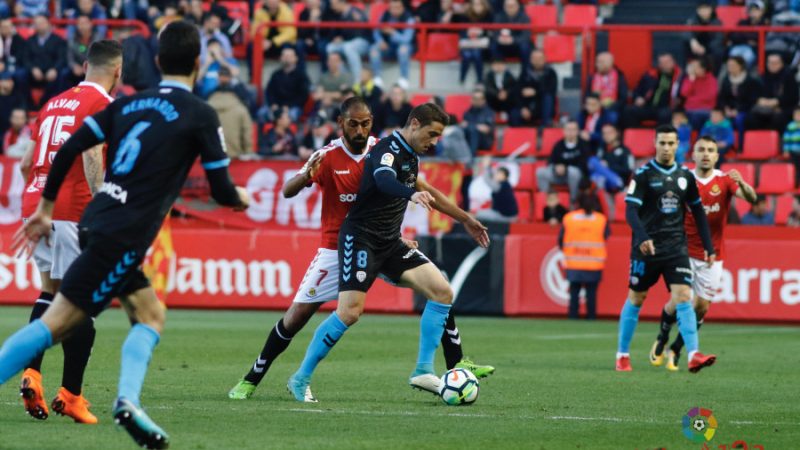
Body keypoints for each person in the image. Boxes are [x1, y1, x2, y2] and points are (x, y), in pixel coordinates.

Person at [1, 21, 249, 448]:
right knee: (59, 321)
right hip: (119, 230)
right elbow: (222, 189)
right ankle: (113, 399)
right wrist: (240, 195)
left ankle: (121, 401)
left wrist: (42, 207)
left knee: (146, 313)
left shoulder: (127, 106)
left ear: (155, 62)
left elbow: (68, 148)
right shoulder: (199, 114)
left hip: (94, 217)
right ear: (198, 62)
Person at [228, 98, 493, 400]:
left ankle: (441, 367)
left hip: (385, 241)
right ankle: (255, 377)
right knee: (299, 317)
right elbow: (291, 190)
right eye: (353, 123)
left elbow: (420, 188)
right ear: (341, 123)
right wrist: (305, 177)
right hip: (340, 245)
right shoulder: (332, 156)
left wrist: (465, 219)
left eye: (366, 123)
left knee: (441, 291)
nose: (360, 129)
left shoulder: (388, 149)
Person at [15, 40, 121, 425]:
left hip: (38, 205)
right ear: (117, 70)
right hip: (74, 208)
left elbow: (26, 162)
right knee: (82, 305)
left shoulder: (53, 102)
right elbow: (93, 155)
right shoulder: (102, 105)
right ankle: (71, 395)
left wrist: (39, 203)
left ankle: (32, 374)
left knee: (50, 294)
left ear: (85, 64)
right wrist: (100, 208)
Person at [650, 136, 757, 371]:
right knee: (681, 299)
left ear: (717, 156)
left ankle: (676, 348)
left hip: (713, 254)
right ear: (693, 155)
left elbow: (752, 198)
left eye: (711, 150)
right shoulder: (682, 178)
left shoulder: (725, 180)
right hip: (683, 250)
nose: (706, 154)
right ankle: (663, 336)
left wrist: (745, 183)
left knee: (702, 308)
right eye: (701, 150)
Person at [616, 124, 717, 373]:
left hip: (675, 247)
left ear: (677, 145)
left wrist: (708, 246)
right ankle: (622, 354)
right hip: (646, 248)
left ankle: (693, 353)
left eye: (671, 143)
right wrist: (642, 236)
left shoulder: (685, 176)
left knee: (684, 296)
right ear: (655, 143)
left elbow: (698, 212)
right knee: (636, 297)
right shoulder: (643, 175)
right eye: (662, 143)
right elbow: (630, 210)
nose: (667, 148)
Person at [559, 192, 609, 320]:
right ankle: (591, 317)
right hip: (594, 263)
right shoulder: (600, 219)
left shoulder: (569, 218)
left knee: (574, 292)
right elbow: (606, 236)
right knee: (591, 294)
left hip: (573, 263)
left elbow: (560, 240)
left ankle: (572, 317)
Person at [623, 53, 681, 129]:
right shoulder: (650, 74)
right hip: (647, 106)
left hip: (666, 107)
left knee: (665, 114)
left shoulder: (680, 76)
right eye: (661, 63)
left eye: (666, 62)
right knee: (628, 111)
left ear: (673, 62)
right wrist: (637, 97)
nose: (664, 65)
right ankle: (637, 135)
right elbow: (636, 90)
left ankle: (660, 137)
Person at [536, 120, 590, 199]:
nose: (570, 132)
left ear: (577, 131)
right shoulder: (559, 145)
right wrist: (556, 168)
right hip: (559, 175)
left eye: (573, 130)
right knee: (540, 172)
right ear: (564, 131)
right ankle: (547, 201)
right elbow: (551, 161)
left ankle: (573, 201)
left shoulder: (583, 145)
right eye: (568, 130)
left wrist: (566, 169)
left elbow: (585, 165)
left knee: (573, 172)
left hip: (576, 176)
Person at [209, 66, 254, 159]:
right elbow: (247, 135)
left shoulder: (207, 107)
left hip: (210, 156)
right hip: (234, 157)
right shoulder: (241, 109)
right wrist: (248, 153)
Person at [370, 0, 416, 89]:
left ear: (402, 8)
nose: (394, 10)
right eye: (391, 8)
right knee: (374, 49)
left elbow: (407, 39)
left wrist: (393, 32)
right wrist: (380, 41)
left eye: (397, 8)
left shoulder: (409, 18)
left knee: (403, 49)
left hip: (404, 46)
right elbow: (376, 31)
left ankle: (404, 79)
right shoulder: (385, 14)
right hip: (388, 46)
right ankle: (377, 78)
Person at [25, 14, 67, 108]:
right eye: (37, 23)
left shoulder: (58, 40)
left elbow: (62, 58)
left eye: (42, 23)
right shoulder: (29, 41)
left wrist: (55, 69)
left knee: (62, 75)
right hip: (35, 72)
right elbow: (26, 58)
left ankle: (48, 104)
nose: (40, 25)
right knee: (21, 75)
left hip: (52, 71)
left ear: (48, 24)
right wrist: (33, 68)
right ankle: (28, 105)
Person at [748, 53, 799, 131]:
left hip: (783, 108)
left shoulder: (789, 77)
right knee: (750, 118)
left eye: (775, 63)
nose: (772, 65)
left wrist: (777, 102)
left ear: (782, 63)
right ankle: (756, 141)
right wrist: (760, 100)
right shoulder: (762, 77)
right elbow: (753, 94)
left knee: (778, 118)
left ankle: (777, 141)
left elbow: (792, 98)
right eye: (770, 63)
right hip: (764, 108)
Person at [325, 0, 370, 85]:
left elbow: (362, 31)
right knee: (330, 47)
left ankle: (358, 79)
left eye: (334, 4)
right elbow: (334, 32)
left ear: (341, 2)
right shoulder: (338, 14)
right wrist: (338, 38)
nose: (332, 7)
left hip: (362, 42)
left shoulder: (355, 12)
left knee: (349, 47)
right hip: (347, 42)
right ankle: (344, 76)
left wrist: (343, 37)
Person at [515, 49, 558, 126]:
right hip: (527, 105)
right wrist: (523, 108)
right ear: (531, 59)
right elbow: (518, 90)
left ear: (545, 59)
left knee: (548, 98)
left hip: (542, 106)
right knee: (514, 112)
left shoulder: (551, 73)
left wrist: (535, 92)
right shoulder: (525, 72)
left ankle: (545, 126)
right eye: (534, 58)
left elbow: (551, 90)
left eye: (539, 58)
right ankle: (521, 135)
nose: (537, 61)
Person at [454, 0, 492, 84]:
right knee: (467, 54)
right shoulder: (465, 16)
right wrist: (469, 33)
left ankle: (480, 80)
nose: (477, 6)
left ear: (484, 5)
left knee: (476, 53)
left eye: (479, 4)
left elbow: (490, 32)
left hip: (482, 45)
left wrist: (481, 32)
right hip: (468, 43)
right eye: (475, 4)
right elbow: (462, 32)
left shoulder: (489, 16)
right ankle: (462, 79)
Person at [585, 52, 628, 125]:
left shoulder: (619, 76)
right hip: (593, 108)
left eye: (601, 62)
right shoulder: (592, 77)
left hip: (612, 108)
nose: (597, 65)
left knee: (612, 116)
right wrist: (592, 106)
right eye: (597, 62)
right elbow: (587, 95)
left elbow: (623, 97)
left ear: (610, 63)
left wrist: (610, 107)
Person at [491, 0, 531, 70]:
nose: (510, 8)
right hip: (502, 45)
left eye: (512, 6)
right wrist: (499, 38)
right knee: (493, 45)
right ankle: (498, 72)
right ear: (504, 7)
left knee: (525, 47)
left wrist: (513, 40)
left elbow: (526, 35)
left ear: (518, 6)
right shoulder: (498, 16)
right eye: (507, 6)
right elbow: (494, 33)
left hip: (517, 45)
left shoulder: (525, 17)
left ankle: (525, 74)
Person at [680, 57, 718, 131]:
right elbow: (684, 93)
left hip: (705, 109)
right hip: (689, 110)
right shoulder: (691, 78)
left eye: (695, 67)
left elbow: (709, 96)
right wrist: (691, 80)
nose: (692, 69)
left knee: (696, 117)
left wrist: (692, 100)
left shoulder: (711, 80)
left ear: (703, 69)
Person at [476, 158, 517, 223]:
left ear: (504, 176)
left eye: (498, 173)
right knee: (480, 212)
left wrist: (486, 166)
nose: (496, 175)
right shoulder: (505, 184)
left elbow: (487, 180)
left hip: (506, 217)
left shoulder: (501, 186)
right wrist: (488, 166)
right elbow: (491, 177)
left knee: (477, 214)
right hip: (506, 214)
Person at [684, 1, 725, 67]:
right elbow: (686, 32)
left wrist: (705, 49)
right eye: (701, 9)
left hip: (710, 49)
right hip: (696, 48)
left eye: (706, 8)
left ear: (711, 9)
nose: (704, 12)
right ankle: (688, 71)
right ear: (697, 10)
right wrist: (692, 41)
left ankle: (715, 74)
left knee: (718, 50)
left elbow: (719, 39)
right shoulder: (692, 20)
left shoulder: (717, 22)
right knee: (686, 44)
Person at [461, 89, 495, 155]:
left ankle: (470, 157)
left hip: (484, 141)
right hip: (469, 138)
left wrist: (471, 125)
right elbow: (463, 125)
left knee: (473, 130)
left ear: (483, 100)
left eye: (479, 99)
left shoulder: (489, 112)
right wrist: (476, 126)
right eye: (474, 98)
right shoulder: (468, 112)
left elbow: (486, 129)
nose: (476, 101)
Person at [783, 106, 800, 187]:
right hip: (793, 153)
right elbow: (786, 139)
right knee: (794, 169)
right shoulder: (790, 126)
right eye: (796, 115)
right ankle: (794, 184)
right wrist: (786, 150)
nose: (798, 116)